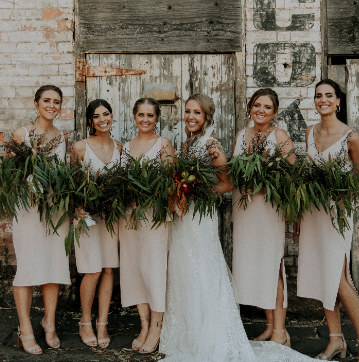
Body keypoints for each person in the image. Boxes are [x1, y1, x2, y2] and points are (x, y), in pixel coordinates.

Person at [160, 93, 314, 362]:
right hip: (236, 210)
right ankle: (255, 327)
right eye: (188, 111)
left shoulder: (214, 144)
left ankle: (277, 330)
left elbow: (229, 182)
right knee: (198, 271)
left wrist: (198, 191)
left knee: (265, 265)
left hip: (262, 208)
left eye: (197, 112)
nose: (191, 117)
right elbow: (237, 178)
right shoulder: (211, 140)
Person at [296, 79, 359, 362]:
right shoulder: (309, 132)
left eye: (328, 95)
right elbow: (304, 174)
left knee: (339, 278)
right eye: (318, 96)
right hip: (312, 212)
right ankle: (335, 340)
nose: (323, 100)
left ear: (338, 100)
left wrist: (342, 196)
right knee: (322, 275)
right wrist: (297, 215)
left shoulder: (351, 137)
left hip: (337, 214)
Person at [232, 88, 295, 345]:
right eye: (257, 105)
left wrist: (263, 185)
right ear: (250, 107)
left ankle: (280, 332)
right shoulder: (241, 135)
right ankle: (269, 326)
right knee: (255, 267)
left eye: (267, 107)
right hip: (244, 211)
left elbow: (292, 173)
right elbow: (233, 171)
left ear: (275, 112)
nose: (261, 110)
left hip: (268, 210)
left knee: (272, 267)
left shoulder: (279, 135)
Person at [11, 85, 70, 355]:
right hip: (28, 211)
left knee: (53, 266)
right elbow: (8, 176)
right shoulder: (21, 134)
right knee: (26, 268)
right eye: (47, 100)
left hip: (55, 211)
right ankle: (25, 330)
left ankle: (49, 322)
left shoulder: (61, 137)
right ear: (36, 103)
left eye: (56, 102)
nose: (52, 105)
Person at [119, 98, 175, 354]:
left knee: (153, 269)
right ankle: (143, 324)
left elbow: (171, 184)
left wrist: (151, 195)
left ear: (157, 118)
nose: (145, 119)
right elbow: (120, 181)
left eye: (150, 115)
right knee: (133, 268)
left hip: (154, 217)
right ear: (134, 117)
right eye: (140, 114)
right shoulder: (126, 148)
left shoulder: (163, 144)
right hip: (130, 217)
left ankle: (157, 326)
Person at [70, 99, 122, 348]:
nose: (103, 119)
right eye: (97, 116)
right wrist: (79, 209)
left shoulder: (120, 147)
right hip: (87, 217)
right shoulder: (80, 147)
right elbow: (69, 184)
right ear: (90, 121)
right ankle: (85, 321)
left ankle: (103, 323)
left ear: (112, 116)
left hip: (111, 218)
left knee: (109, 268)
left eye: (106, 114)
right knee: (92, 269)